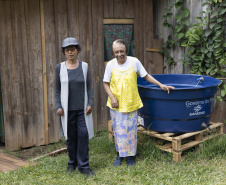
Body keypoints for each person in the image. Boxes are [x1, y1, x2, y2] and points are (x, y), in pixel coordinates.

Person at [103, 39, 174, 167]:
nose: (120, 54)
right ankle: (120, 155)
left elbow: (145, 75)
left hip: (131, 102)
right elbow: (105, 83)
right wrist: (112, 98)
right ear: (113, 53)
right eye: (116, 52)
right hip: (116, 104)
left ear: (126, 51)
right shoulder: (110, 65)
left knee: (131, 130)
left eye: (122, 51)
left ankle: (131, 156)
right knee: (118, 130)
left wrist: (160, 84)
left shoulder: (134, 62)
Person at [55, 37, 95, 176]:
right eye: (67, 50)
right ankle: (72, 163)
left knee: (83, 136)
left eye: (72, 49)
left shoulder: (84, 66)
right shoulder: (59, 68)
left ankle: (84, 166)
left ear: (78, 50)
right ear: (64, 52)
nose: (70, 52)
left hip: (82, 110)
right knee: (70, 138)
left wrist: (90, 103)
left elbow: (89, 87)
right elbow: (57, 90)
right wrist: (58, 106)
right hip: (67, 111)